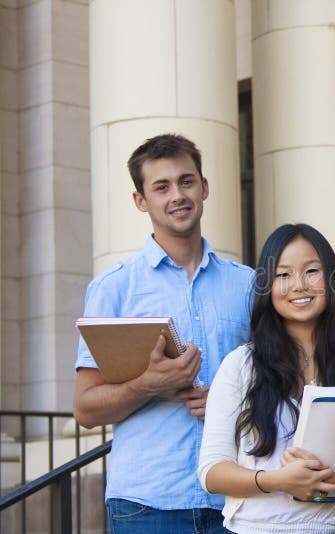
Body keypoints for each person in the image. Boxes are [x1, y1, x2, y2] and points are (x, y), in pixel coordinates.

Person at [73, 133, 254, 533]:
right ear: (141, 201)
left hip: (238, 496)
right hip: (147, 503)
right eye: (161, 186)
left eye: (186, 181)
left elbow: (284, 378)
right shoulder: (113, 290)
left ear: (204, 188)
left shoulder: (248, 286)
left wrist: (237, 402)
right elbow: (86, 409)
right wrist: (150, 385)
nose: (178, 195)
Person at [197, 223, 335, 534]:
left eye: (311, 271)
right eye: (283, 275)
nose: (299, 285)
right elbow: (211, 471)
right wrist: (276, 481)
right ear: (267, 286)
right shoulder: (241, 365)